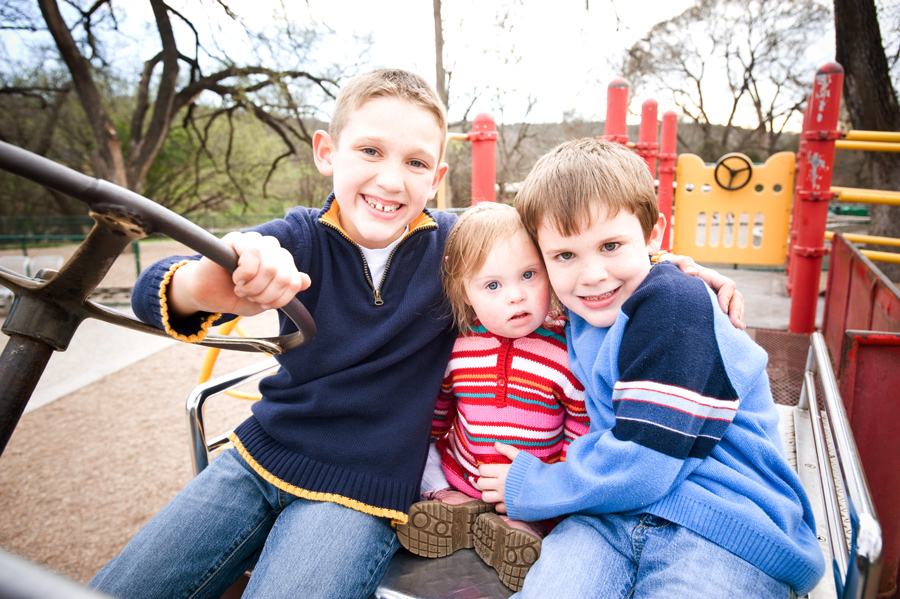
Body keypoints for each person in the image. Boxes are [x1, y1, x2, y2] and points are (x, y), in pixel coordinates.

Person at [89, 68, 743, 598]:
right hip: (259, 453)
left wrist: (664, 270)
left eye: (415, 162)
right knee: (122, 584)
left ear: (437, 178)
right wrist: (211, 280)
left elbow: (563, 242)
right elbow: (157, 294)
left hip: (360, 489)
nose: (388, 179)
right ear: (328, 152)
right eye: (369, 150)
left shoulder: (460, 246)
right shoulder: (295, 237)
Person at [476, 138, 826, 598]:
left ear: (653, 233)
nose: (593, 274)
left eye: (611, 245)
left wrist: (537, 483)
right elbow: (469, 246)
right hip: (609, 516)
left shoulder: (676, 307)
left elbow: (645, 462)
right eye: (565, 255)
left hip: (721, 522)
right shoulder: (579, 311)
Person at [395, 202, 589, 592]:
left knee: (543, 508)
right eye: (493, 285)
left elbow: (580, 428)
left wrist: (550, 479)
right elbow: (441, 409)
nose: (516, 297)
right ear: (465, 293)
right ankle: (455, 502)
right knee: (423, 459)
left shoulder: (566, 352)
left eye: (529, 275)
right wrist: (423, 444)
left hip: (527, 479)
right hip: (462, 468)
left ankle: (519, 526)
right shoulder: (460, 347)